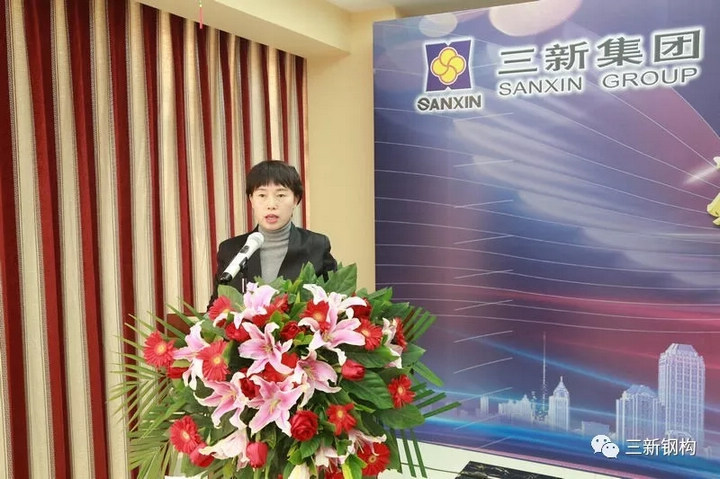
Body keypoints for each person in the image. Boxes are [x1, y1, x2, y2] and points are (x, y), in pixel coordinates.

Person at [210, 160, 337, 304]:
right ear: (251, 200)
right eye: (262, 195)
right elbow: (215, 307)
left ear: (295, 200)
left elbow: (336, 302)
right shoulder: (230, 249)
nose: (271, 205)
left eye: (281, 195)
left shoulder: (317, 246)